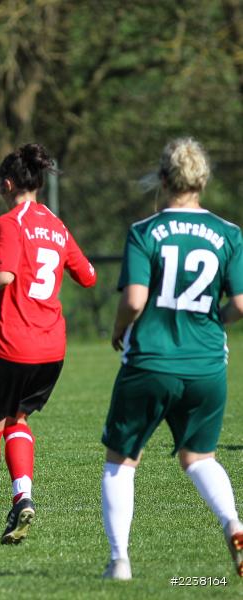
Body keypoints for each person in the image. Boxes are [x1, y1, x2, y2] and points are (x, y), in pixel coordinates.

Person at [101, 138, 243, 580]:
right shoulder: (230, 234)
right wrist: (212, 320)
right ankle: (234, 524)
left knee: (121, 461)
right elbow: (241, 304)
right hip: (206, 365)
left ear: (163, 180)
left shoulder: (145, 231)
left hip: (152, 361)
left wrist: (119, 329)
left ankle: (120, 561)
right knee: (199, 457)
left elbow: (136, 298)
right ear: (202, 181)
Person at [0, 143, 97, 544]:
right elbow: (87, 275)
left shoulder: (9, 222)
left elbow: (2, 276)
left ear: (6, 183)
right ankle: (23, 497)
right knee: (18, 420)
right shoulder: (57, 225)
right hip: (51, 348)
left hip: (9, 344)